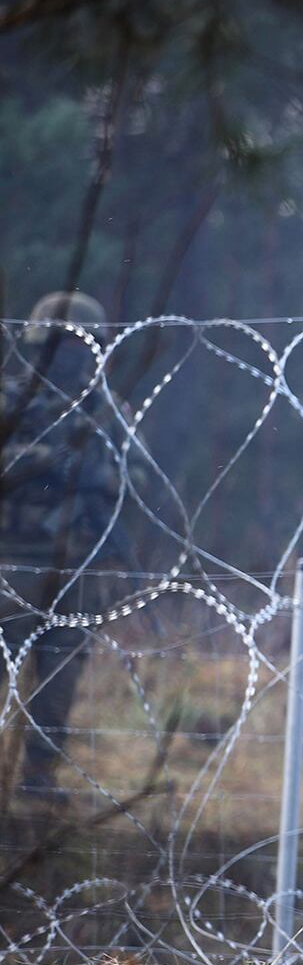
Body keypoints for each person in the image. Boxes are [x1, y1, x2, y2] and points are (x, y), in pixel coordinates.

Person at [1, 291, 123, 798]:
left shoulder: (106, 410)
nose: (72, 359)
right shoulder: (10, 401)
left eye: (83, 348)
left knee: (62, 668)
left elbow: (134, 476)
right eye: (62, 346)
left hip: (78, 561)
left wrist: (97, 478)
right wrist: (51, 457)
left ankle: (38, 775)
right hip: (13, 558)